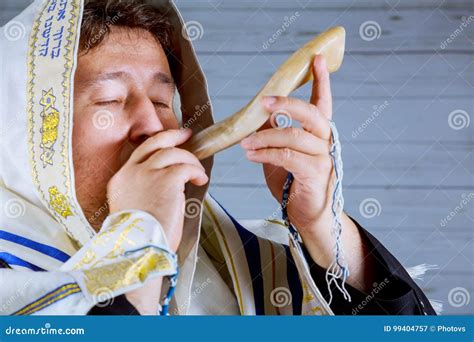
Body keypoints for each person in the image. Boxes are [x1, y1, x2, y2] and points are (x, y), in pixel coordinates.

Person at [0, 0, 436, 316]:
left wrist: (322, 225)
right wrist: (141, 232)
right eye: (110, 100)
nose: (152, 125)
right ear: (28, 138)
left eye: (161, 98)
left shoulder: (230, 256)